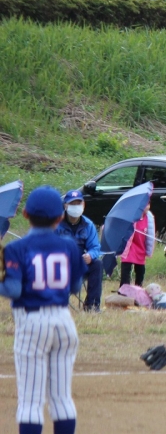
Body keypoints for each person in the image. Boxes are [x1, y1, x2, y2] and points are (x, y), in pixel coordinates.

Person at [0, 186, 87, 434]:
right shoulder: (69, 245)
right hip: (64, 321)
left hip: (33, 322)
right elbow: (75, 286)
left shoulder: (16, 249)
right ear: (60, 217)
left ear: (25, 214)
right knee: (61, 398)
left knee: (30, 401)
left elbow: (14, 290)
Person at [56, 189, 103, 312]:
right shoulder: (56, 224)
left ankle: (92, 305)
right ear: (66, 206)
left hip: (80, 264)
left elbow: (95, 247)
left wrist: (90, 255)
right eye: (72, 204)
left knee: (97, 264)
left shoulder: (88, 225)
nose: (76, 207)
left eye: (78, 203)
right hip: (60, 265)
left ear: (83, 205)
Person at [119, 201, 155, 287]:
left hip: (140, 247)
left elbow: (150, 236)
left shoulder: (149, 218)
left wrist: (148, 249)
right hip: (129, 246)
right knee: (126, 268)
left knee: (140, 271)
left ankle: (138, 290)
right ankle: (124, 290)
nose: (146, 207)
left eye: (148, 204)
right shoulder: (131, 214)